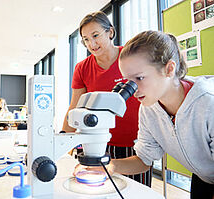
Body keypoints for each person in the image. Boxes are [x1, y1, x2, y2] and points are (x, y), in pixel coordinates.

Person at [77, 30, 214, 198]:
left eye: (140, 78)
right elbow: (144, 159)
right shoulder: (149, 108)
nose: (133, 90)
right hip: (203, 177)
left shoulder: (208, 104)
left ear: (169, 69)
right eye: (128, 81)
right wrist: (108, 166)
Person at [62, 11, 151, 186]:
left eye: (95, 35)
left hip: (137, 143)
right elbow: (74, 108)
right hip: (101, 143)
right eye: (86, 39)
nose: (91, 44)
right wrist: (62, 142)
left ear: (110, 32)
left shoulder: (130, 56)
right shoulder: (82, 68)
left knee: (136, 192)